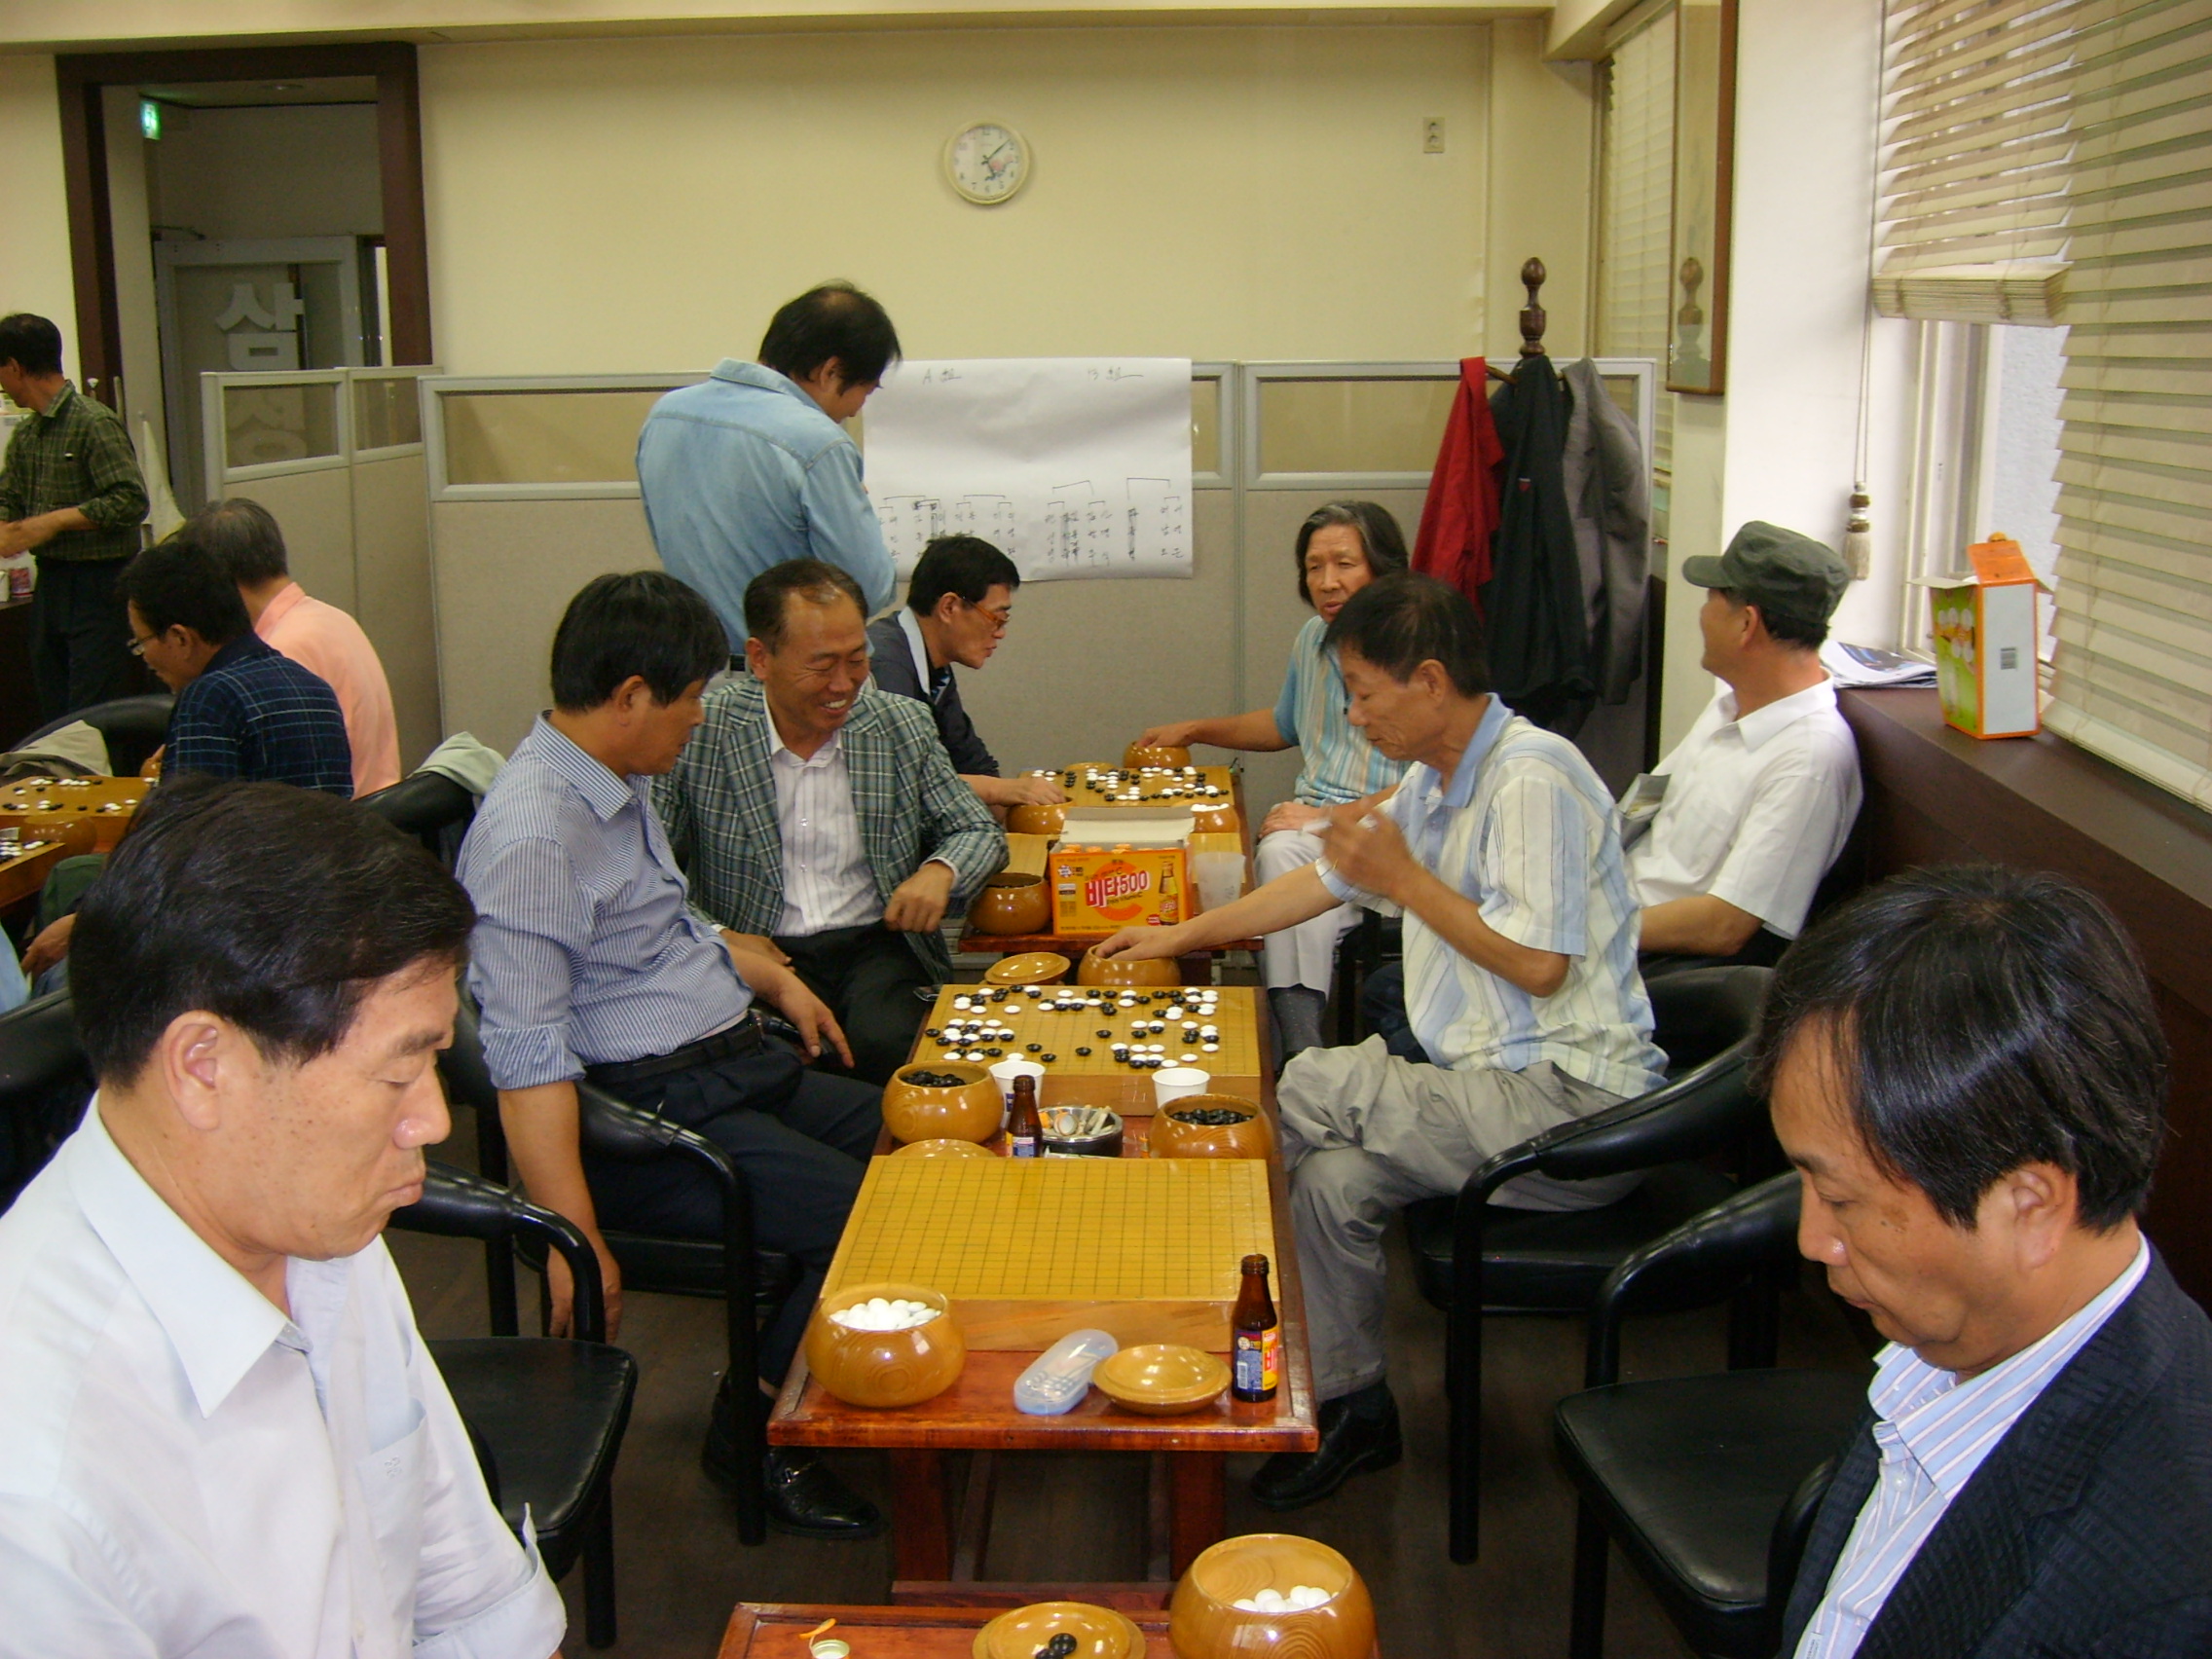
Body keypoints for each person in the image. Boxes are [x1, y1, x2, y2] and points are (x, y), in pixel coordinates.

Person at [1097, 573, 1663, 1509]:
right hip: (1488, 1092)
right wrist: (1177, 935)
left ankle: (1166, 1313)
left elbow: (1540, 966)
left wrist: (1404, 880)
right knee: (1332, 1184)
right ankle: (1356, 1410)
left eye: (1363, 693)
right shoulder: (1437, 779)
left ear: (1430, 681)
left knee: (1300, 1088)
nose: (1353, 716)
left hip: (1574, 1110)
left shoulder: (1533, 777)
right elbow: (1321, 881)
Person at [0, 776, 568, 1658]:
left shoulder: (315, 1226)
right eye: (398, 1073)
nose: (432, 1121)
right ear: (204, 1067)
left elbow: (475, 1603)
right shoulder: (40, 1489)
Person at [460, 571, 884, 1538]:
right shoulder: (534, 836)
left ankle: (841, 1379)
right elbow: (527, 1062)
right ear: (630, 697)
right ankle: (756, 1434)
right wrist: (573, 1241)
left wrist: (766, 975)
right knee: (865, 1221)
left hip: (727, 1065)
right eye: (690, 696)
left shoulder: (614, 778)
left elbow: (661, 929)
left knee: (922, 1150)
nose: (700, 716)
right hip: (648, 1117)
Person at [1760, 866, 2212, 1657]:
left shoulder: (2164, 1598)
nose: (1813, 1239)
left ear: (2029, 1207)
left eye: (1840, 1199)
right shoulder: (1948, 1338)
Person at [655, 559, 1006, 1085]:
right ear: (760, 658)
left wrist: (941, 871)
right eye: (821, 665)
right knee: (772, 1065)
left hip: (877, 943)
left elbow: (977, 830)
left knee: (895, 1052)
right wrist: (718, 934)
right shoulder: (704, 731)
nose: (843, 684)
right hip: (756, 948)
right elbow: (645, 871)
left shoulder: (898, 724)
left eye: (857, 659)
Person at [1137, 501, 1409, 1057]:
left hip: (1396, 834)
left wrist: (1328, 817)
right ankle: (1296, 1038)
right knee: (1265, 847)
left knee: (1283, 852)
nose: (1327, 582)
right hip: (1318, 829)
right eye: (1314, 567)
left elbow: (1430, 784)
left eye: (1344, 564)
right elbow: (1285, 724)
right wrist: (1196, 729)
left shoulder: (1416, 650)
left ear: (1383, 569)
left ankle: (1297, 1047)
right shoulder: (1312, 638)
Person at [1630, 521, 1861, 976]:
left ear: (1746, 623)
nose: (1702, 614)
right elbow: (1646, 807)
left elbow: (1724, 926)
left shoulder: (1808, 759)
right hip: (1609, 905)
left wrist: (1581, 932)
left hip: (1641, 960)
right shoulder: (1730, 706)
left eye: (1711, 598)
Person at [638, 282, 901, 646]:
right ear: (830, 371)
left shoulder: (666, 415)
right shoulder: (818, 442)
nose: (856, 410)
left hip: (694, 667)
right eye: (865, 391)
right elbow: (868, 588)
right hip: (796, 670)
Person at [190, 495, 405, 794]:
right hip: (376, 809)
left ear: (215, 582)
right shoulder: (334, 618)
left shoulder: (278, 654)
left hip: (333, 812)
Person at [0, 313, 151, 720]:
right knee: (54, 709)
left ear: (14, 367)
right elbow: (8, 496)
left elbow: (130, 500)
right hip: (52, 584)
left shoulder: (93, 422)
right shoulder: (27, 434)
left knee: (93, 713)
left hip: (100, 585)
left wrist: (53, 521)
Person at [121, 534, 352, 794]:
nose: (145, 658)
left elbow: (189, 816)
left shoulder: (209, 699)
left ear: (180, 638)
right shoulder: (316, 689)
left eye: (142, 643)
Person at [866, 533, 1067, 813]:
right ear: (949, 607)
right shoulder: (884, 664)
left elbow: (972, 762)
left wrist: (1012, 801)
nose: (1000, 633)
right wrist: (1003, 790)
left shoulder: (937, 669)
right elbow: (903, 780)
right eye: (996, 618)